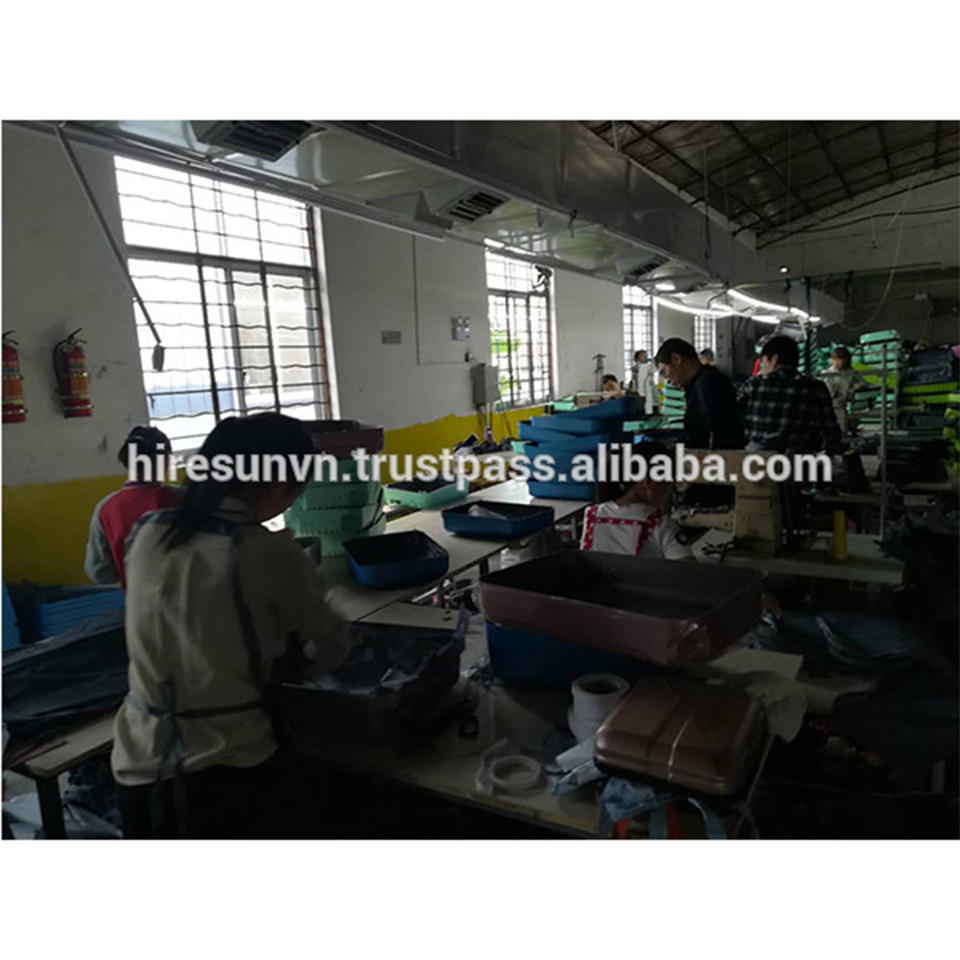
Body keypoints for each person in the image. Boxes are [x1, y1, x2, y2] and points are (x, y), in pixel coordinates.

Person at [111, 413, 350, 839]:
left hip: (139, 763)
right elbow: (328, 644)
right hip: (229, 766)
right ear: (278, 483)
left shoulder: (148, 534)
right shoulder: (268, 551)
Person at [85, 425, 180, 587]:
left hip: (138, 600)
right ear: (164, 459)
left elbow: (99, 573)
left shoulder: (105, 509)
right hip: (188, 599)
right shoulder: (182, 498)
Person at [582, 443, 691, 559]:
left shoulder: (592, 514)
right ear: (648, 482)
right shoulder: (661, 525)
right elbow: (687, 567)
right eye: (669, 484)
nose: (670, 491)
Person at [738, 335, 841, 453]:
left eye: (764, 361)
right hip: (801, 456)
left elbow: (734, 418)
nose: (763, 366)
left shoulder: (753, 385)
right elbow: (831, 431)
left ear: (774, 359)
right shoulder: (816, 388)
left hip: (757, 456)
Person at [655, 338, 744, 449]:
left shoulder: (708, 383)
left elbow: (710, 434)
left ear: (676, 359)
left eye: (664, 372)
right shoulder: (698, 382)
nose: (668, 381)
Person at [819, 346, 866, 435]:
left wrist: (857, 386)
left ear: (846, 360)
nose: (837, 362)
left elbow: (862, 383)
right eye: (834, 359)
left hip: (848, 403)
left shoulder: (852, 372)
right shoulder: (827, 374)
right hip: (832, 404)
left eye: (840, 359)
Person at [629, 349, 657, 415]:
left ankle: (649, 412)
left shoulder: (647, 366)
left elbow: (653, 370)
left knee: (648, 400)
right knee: (643, 401)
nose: (646, 358)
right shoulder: (638, 367)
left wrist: (653, 363)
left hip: (647, 386)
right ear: (637, 359)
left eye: (646, 356)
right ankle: (645, 412)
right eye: (643, 356)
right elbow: (635, 375)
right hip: (640, 388)